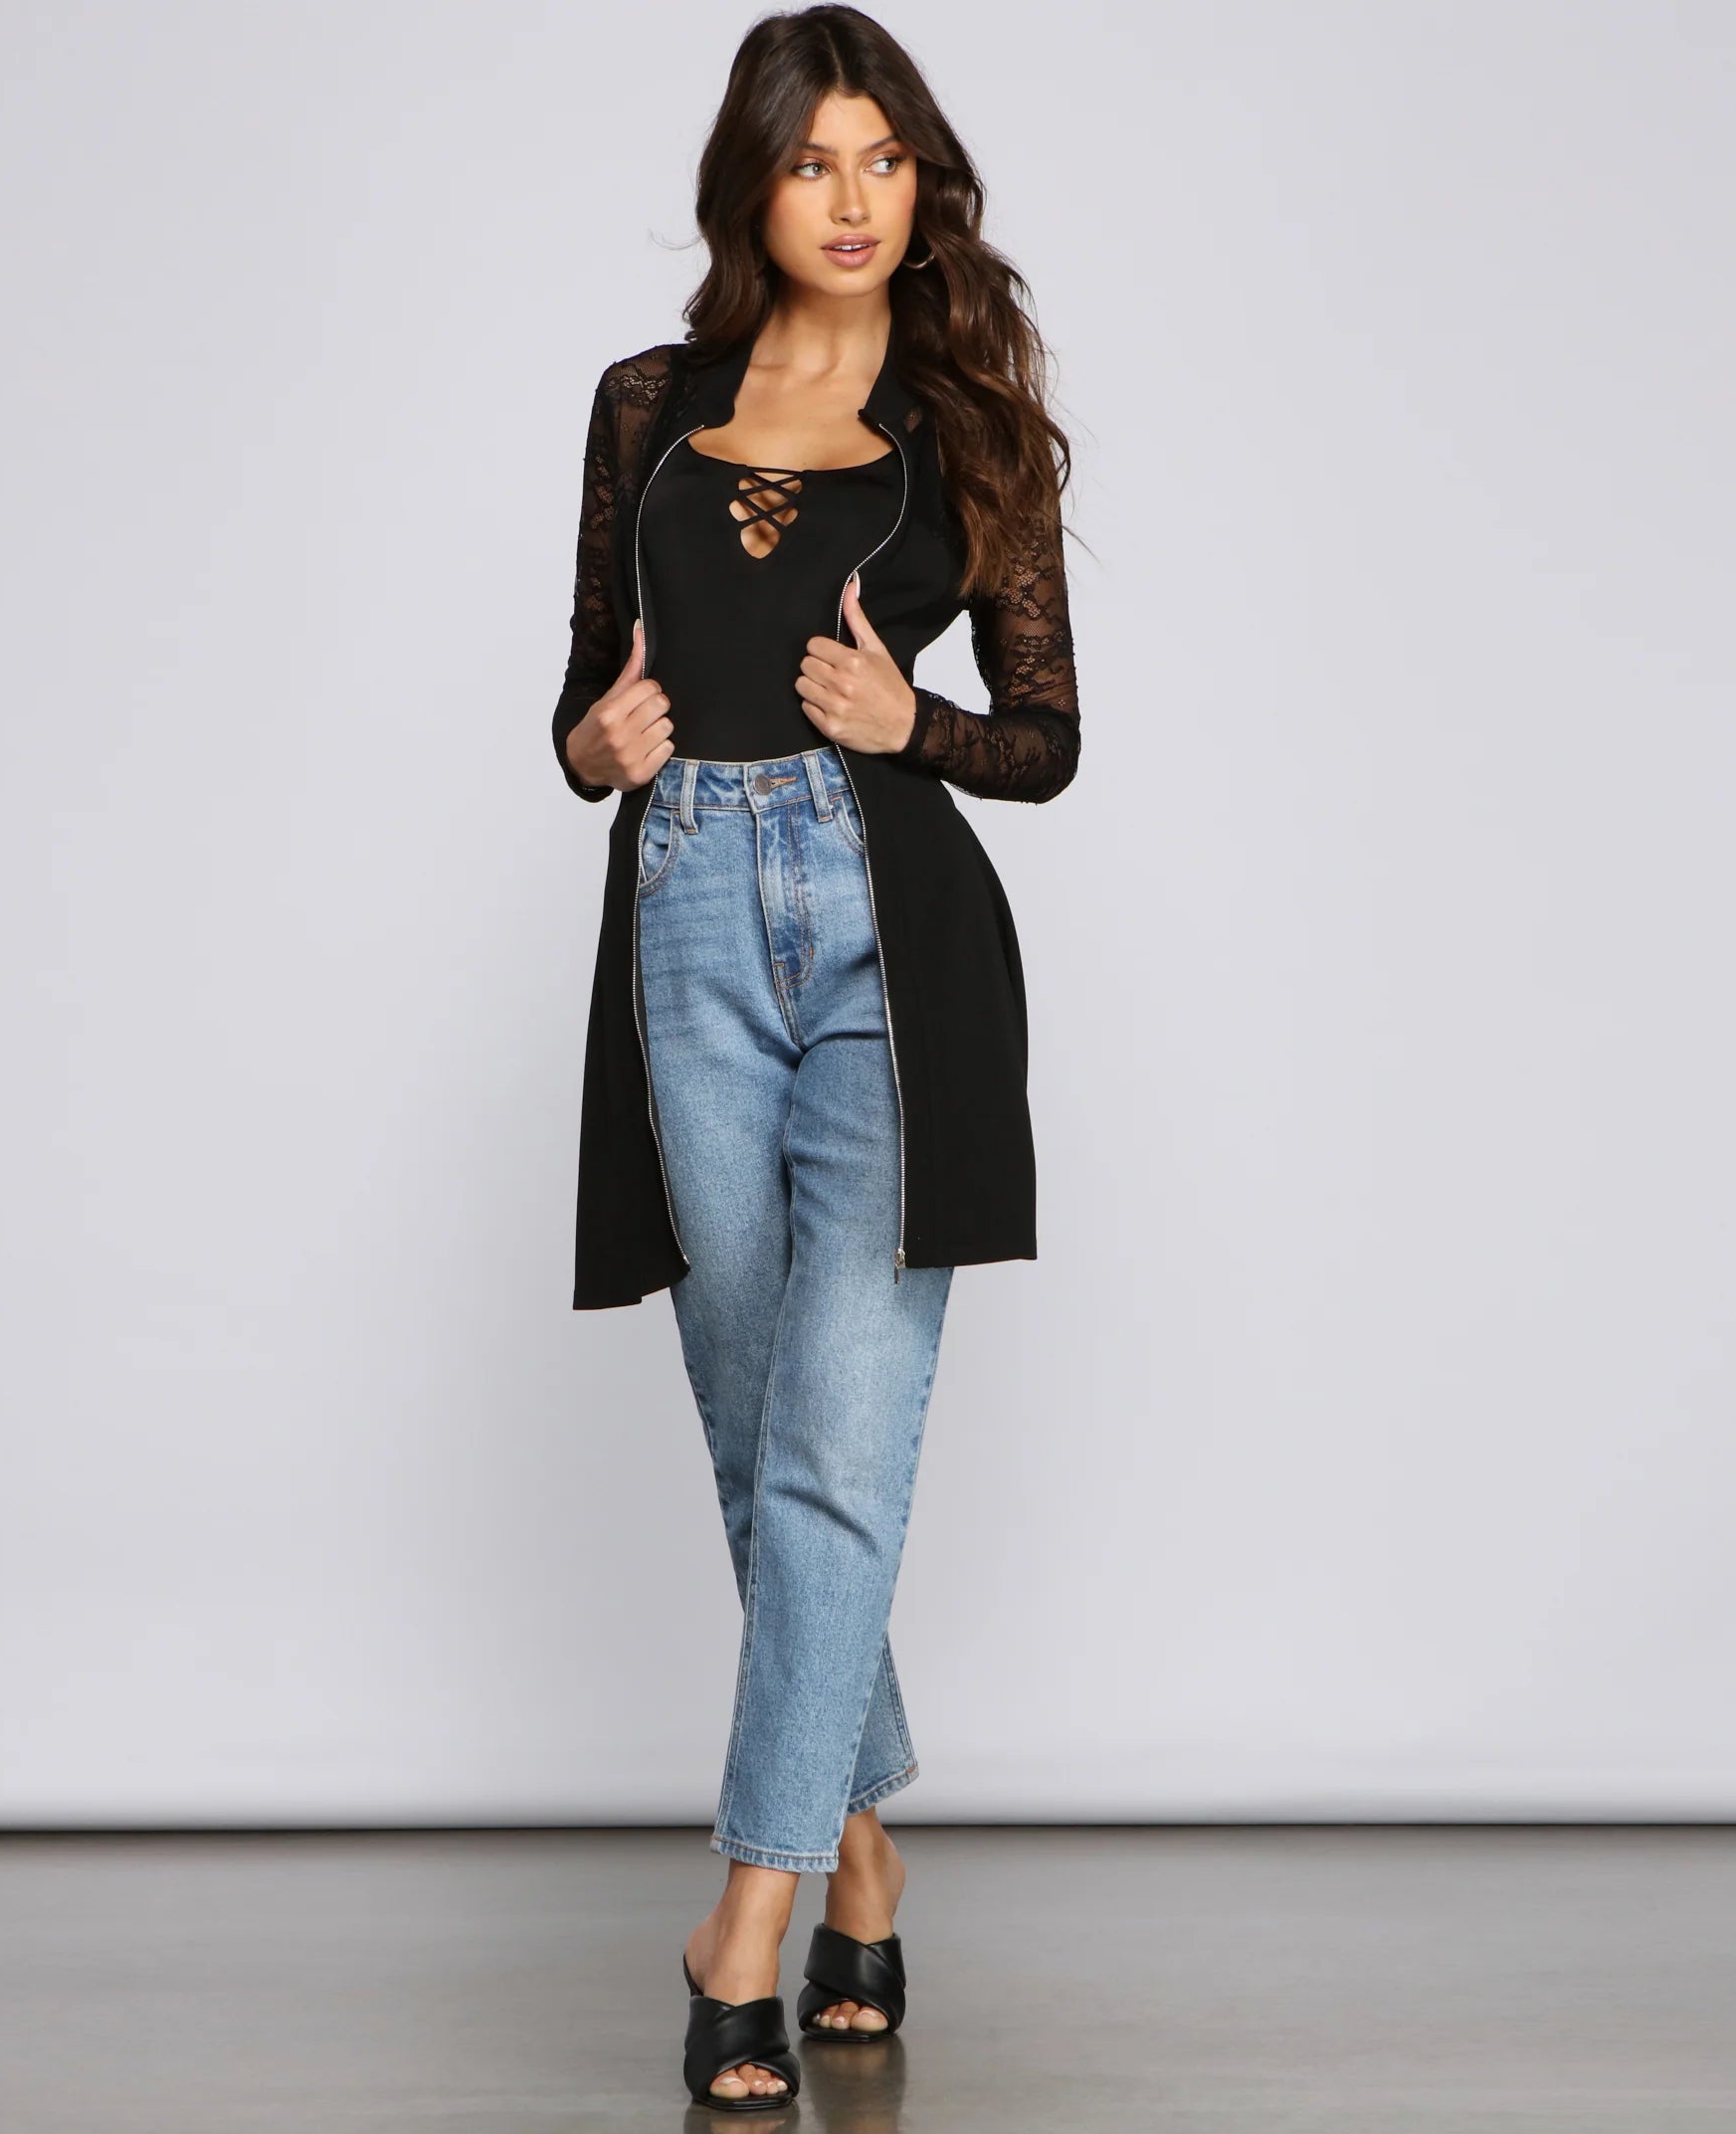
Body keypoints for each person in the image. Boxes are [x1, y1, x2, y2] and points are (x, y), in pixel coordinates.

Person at [548, 4, 1081, 2109]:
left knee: (841, 1440)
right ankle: (862, 1850)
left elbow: (1045, 737)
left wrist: (909, 723)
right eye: (812, 162)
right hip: (686, 909)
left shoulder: (973, 428)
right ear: (749, 187)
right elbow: (583, 691)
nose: (853, 199)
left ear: (919, 183)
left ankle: (747, 1921)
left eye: (884, 159)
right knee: (758, 1414)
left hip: (889, 936)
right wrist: (593, 746)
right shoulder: (647, 403)